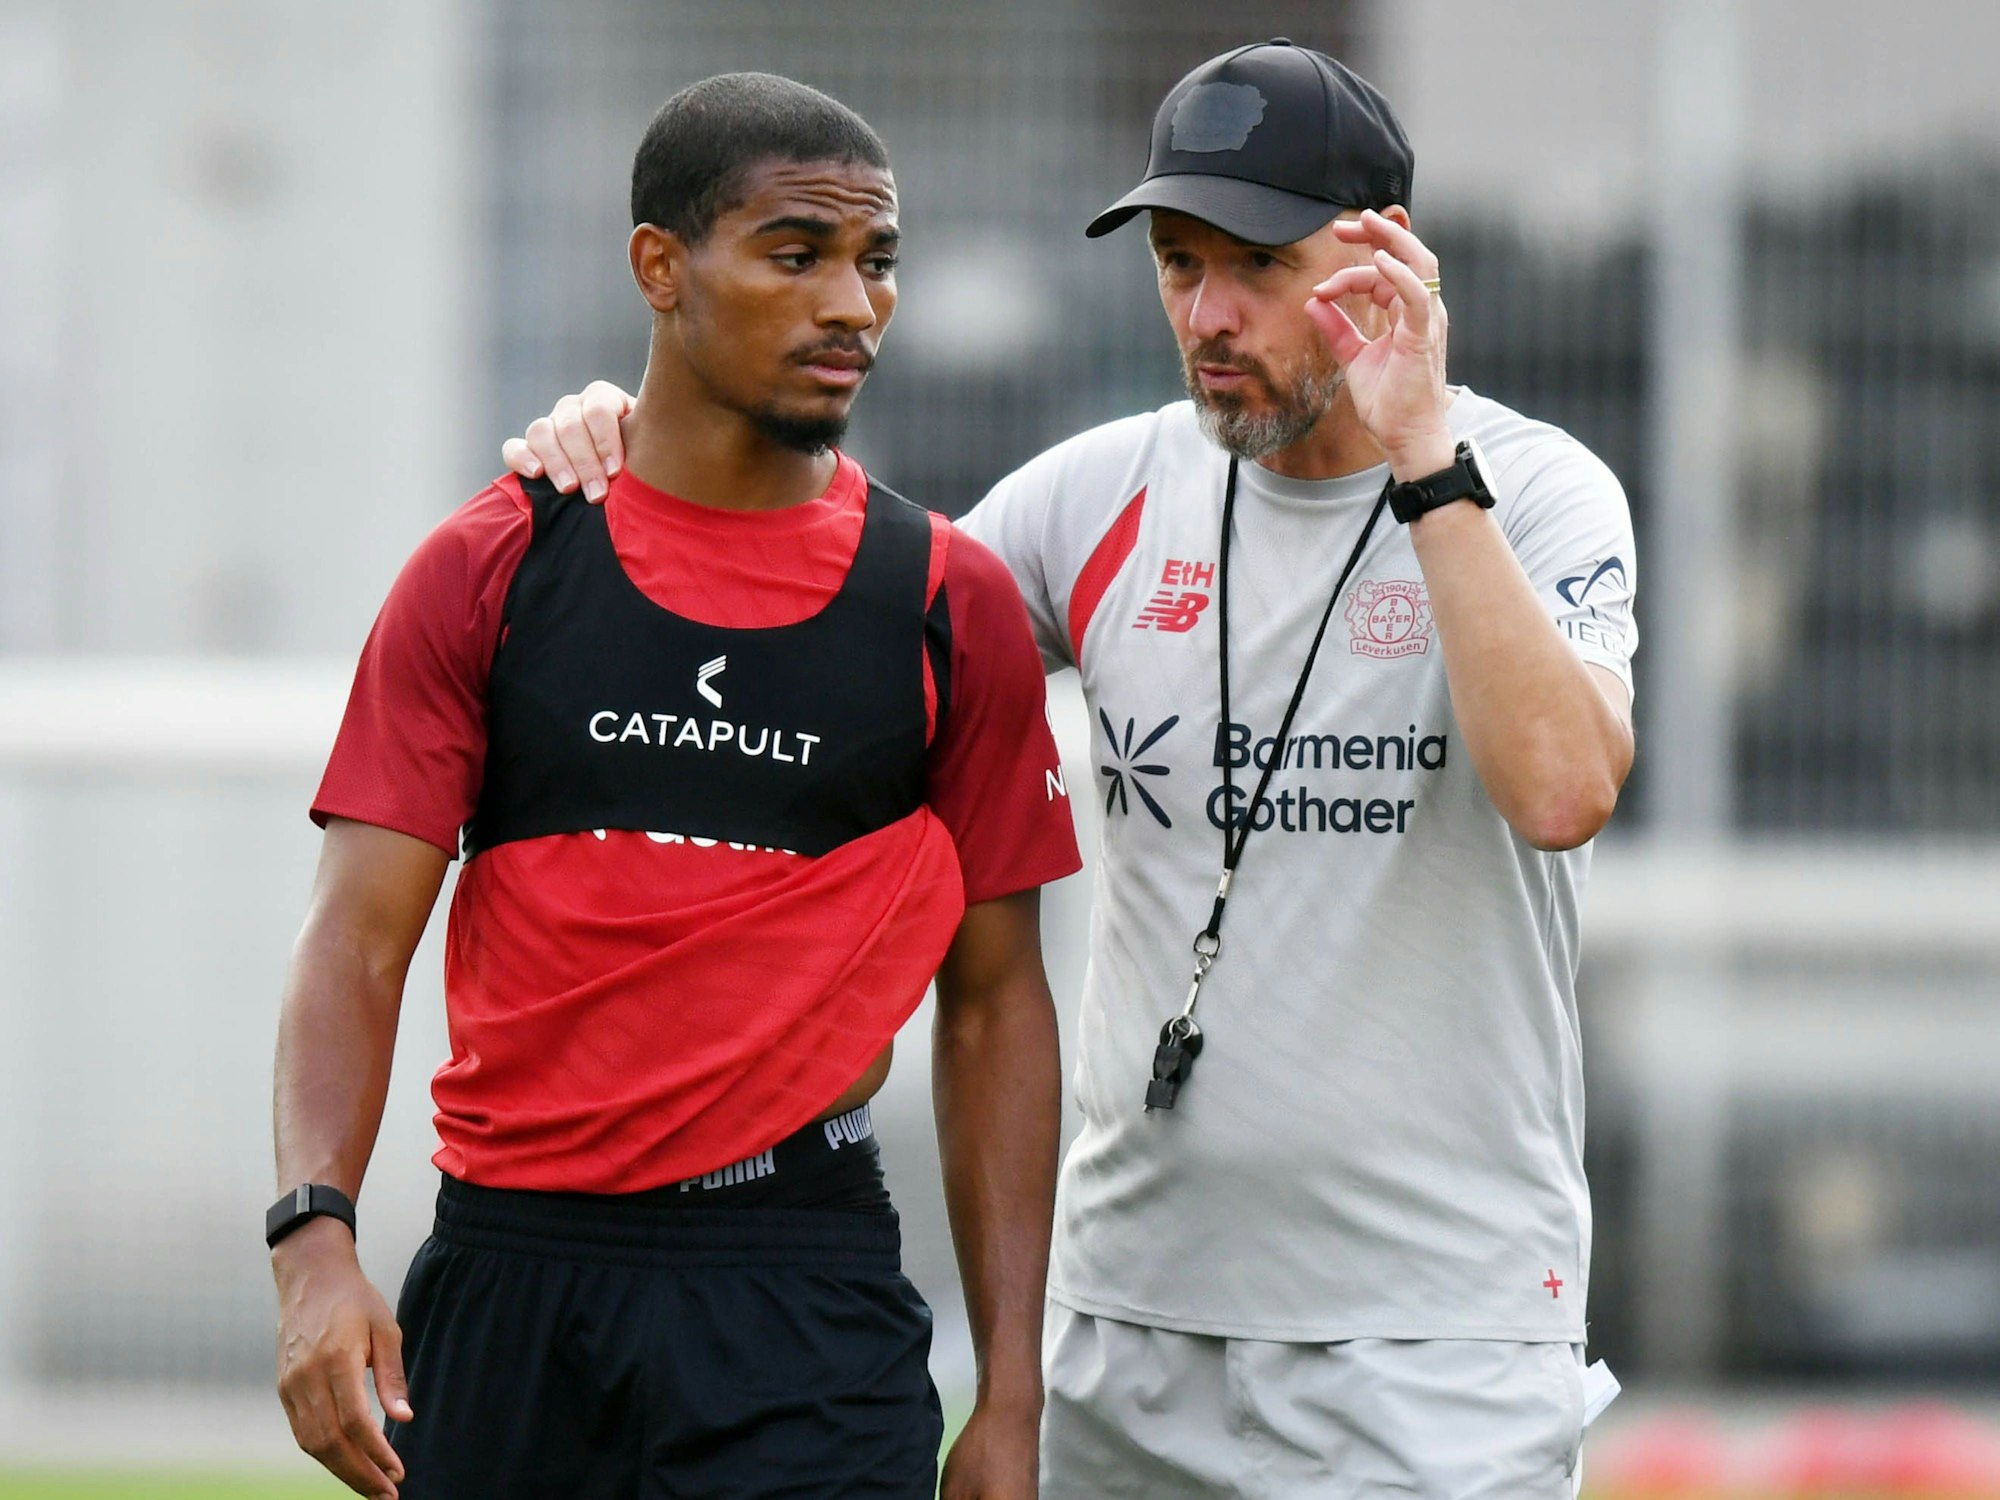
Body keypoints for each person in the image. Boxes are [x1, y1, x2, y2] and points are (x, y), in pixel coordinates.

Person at [508, 40, 1638, 1499]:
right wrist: (650, 441)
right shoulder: (1095, 493)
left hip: (1435, 1349)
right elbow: (814, 646)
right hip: (1127, 1338)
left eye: (1258, 266)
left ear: (1387, 264)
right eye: (1179, 265)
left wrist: (1423, 449)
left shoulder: (1531, 490)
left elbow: (1561, 791)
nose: (1209, 316)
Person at [271, 73, 1079, 1500]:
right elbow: (357, 934)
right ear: (661, 267)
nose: (854, 303)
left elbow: (998, 999)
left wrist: (1010, 1394)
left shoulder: (949, 602)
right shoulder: (493, 567)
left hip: (801, 1290)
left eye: (876, 260)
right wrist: (314, 1239)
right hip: (513, 1276)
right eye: (796, 253)